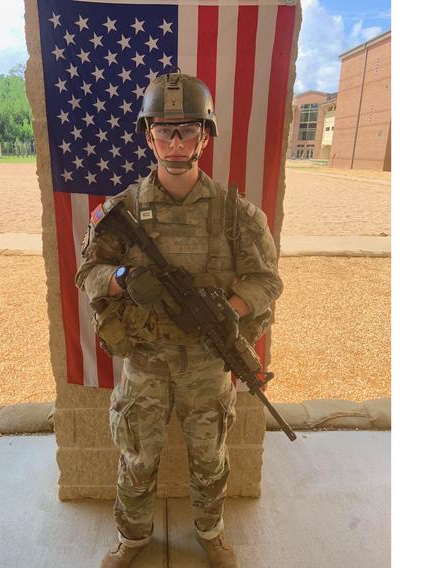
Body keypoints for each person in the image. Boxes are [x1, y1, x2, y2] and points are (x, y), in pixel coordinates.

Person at [75, 72, 283, 568]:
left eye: (186, 130)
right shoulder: (122, 209)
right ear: (149, 137)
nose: (174, 141)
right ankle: (133, 537)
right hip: (145, 362)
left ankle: (211, 532)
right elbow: (88, 273)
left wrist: (226, 310)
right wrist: (124, 277)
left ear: (204, 138)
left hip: (208, 365)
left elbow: (267, 281)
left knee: (209, 460)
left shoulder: (238, 216)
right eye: (164, 130)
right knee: (138, 458)